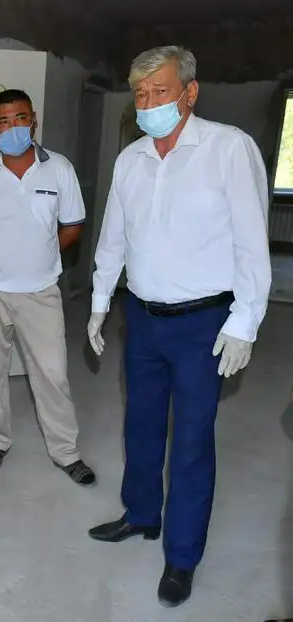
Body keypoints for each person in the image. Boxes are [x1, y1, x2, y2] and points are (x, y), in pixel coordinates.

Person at [87, 45, 271, 608]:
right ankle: (142, 514)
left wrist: (245, 321)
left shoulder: (229, 149)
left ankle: (182, 556)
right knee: (141, 425)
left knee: (190, 442)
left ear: (190, 93)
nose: (148, 104)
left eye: (160, 92)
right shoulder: (131, 160)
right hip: (142, 319)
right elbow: (113, 237)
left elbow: (251, 242)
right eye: (140, 94)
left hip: (202, 325)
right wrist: (99, 301)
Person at [0, 89, 96, 486]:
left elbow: (73, 225)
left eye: (20, 118)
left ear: (34, 121)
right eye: (3, 121)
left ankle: (66, 452)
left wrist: (42, 253)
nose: (12, 127)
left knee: (53, 373)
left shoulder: (59, 169)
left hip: (41, 290)